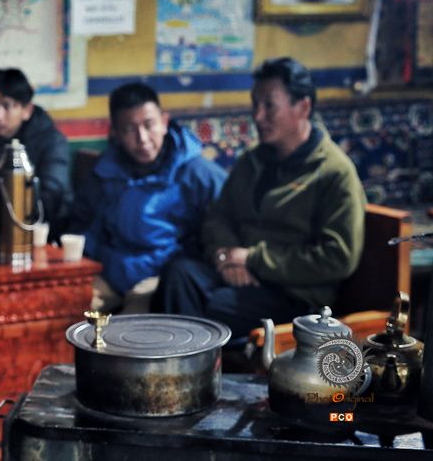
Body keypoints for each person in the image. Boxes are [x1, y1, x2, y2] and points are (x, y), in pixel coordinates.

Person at [155, 57, 366, 341]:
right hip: (240, 276)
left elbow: (337, 257)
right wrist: (225, 256)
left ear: (303, 107)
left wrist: (253, 259)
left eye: (269, 105)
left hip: (294, 296)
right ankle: (186, 364)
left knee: (206, 309)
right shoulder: (252, 161)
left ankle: (194, 365)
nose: (257, 115)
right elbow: (218, 216)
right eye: (255, 104)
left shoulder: (334, 172)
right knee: (178, 274)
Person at [65, 82, 227, 313]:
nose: (142, 139)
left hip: (158, 277)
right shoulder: (106, 170)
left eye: (149, 125)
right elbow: (83, 223)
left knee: (133, 327)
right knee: (66, 312)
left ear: (164, 122)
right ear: (115, 133)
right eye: (130, 130)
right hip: (108, 273)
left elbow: (226, 226)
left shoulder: (198, 173)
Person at [0, 68, 72, 236]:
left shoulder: (51, 141)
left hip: (46, 230)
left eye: (7, 106)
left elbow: (52, 195)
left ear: (27, 110)